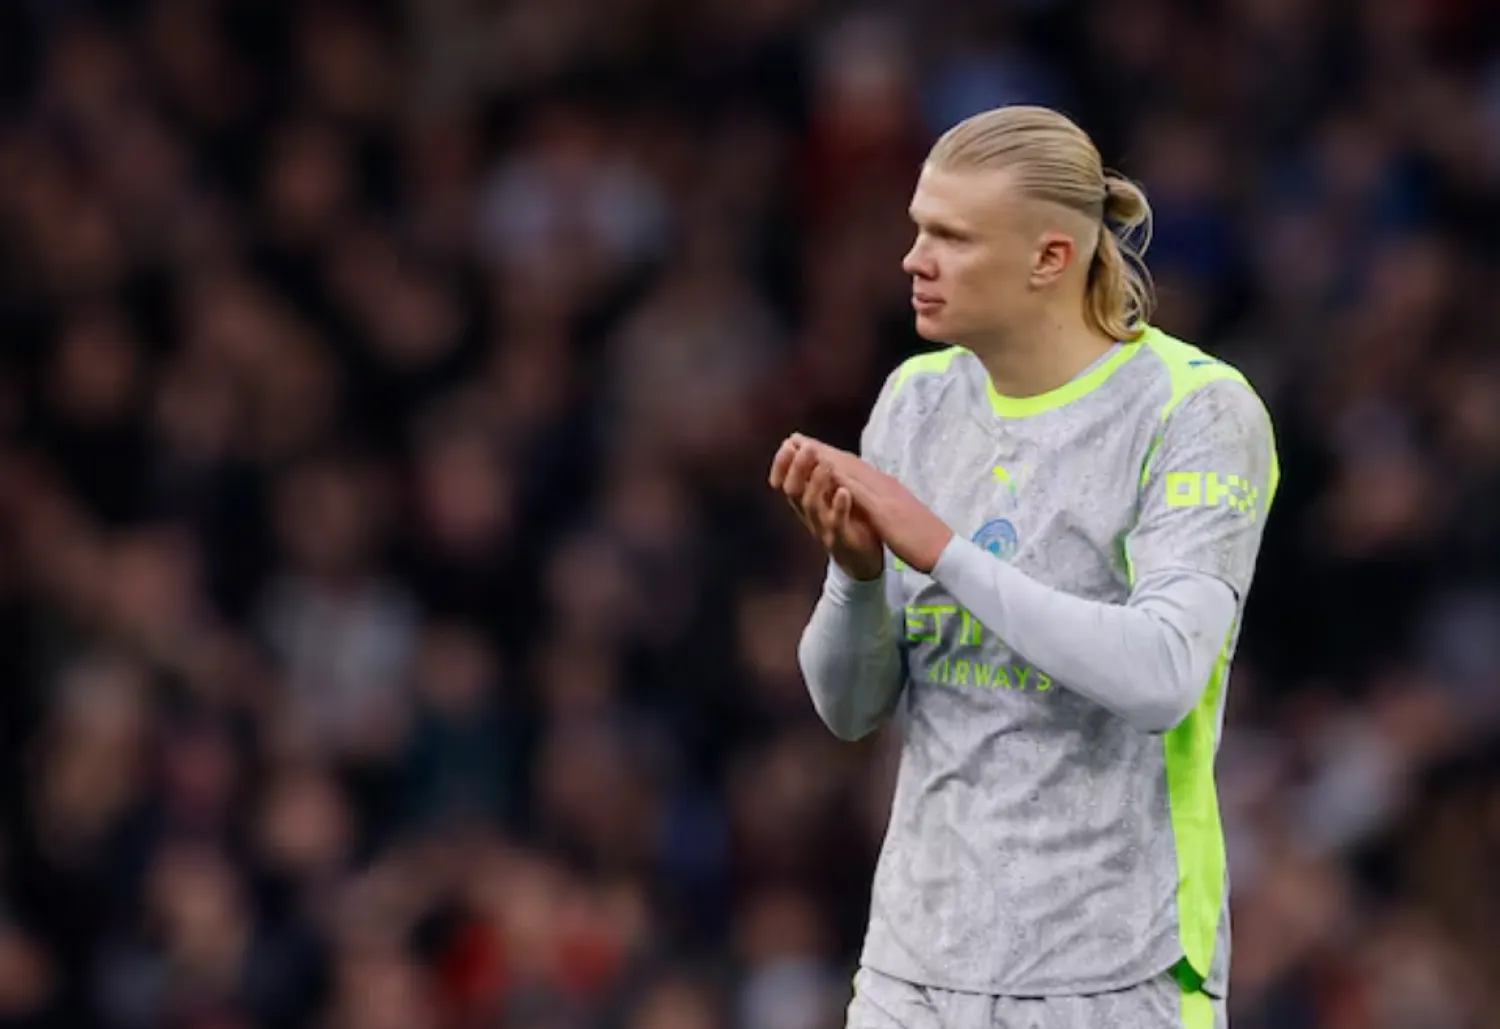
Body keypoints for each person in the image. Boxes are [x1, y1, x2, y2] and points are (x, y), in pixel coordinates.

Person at [768, 106, 1278, 1029]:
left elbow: (1164, 674)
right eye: (919, 228)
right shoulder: (915, 402)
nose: (913, 259)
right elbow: (849, 710)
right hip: (913, 972)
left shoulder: (1194, 410)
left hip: (1114, 972)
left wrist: (943, 551)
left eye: (952, 237)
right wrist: (857, 576)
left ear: (1050, 257)